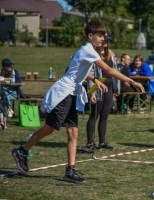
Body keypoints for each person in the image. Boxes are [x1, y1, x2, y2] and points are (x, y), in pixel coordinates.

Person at [11, 21, 144, 184]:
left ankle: (70, 170)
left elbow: (79, 69)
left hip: (72, 93)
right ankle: (22, 151)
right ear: (90, 36)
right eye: (100, 35)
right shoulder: (89, 50)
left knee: (73, 132)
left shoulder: (87, 51)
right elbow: (108, 70)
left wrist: (95, 80)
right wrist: (132, 81)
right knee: (49, 128)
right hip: (63, 93)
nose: (103, 39)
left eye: (103, 36)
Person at [85, 35, 120, 152]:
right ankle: (90, 143)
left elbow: (115, 71)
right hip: (98, 85)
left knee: (105, 115)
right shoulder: (94, 54)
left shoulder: (110, 53)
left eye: (107, 40)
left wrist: (116, 88)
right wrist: (92, 93)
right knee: (94, 115)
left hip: (109, 86)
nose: (105, 42)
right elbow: (91, 73)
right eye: (104, 40)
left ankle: (102, 142)